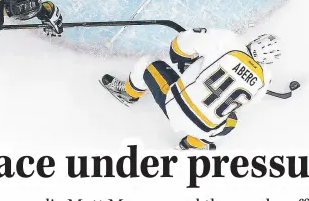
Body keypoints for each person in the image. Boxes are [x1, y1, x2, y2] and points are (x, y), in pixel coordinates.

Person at [100, 28, 281, 150]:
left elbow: (179, 46)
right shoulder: (265, 79)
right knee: (231, 119)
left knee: (147, 64)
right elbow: (246, 105)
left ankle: (128, 94)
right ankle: (192, 143)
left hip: (176, 107)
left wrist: (187, 62)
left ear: (256, 40)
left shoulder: (228, 40)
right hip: (206, 129)